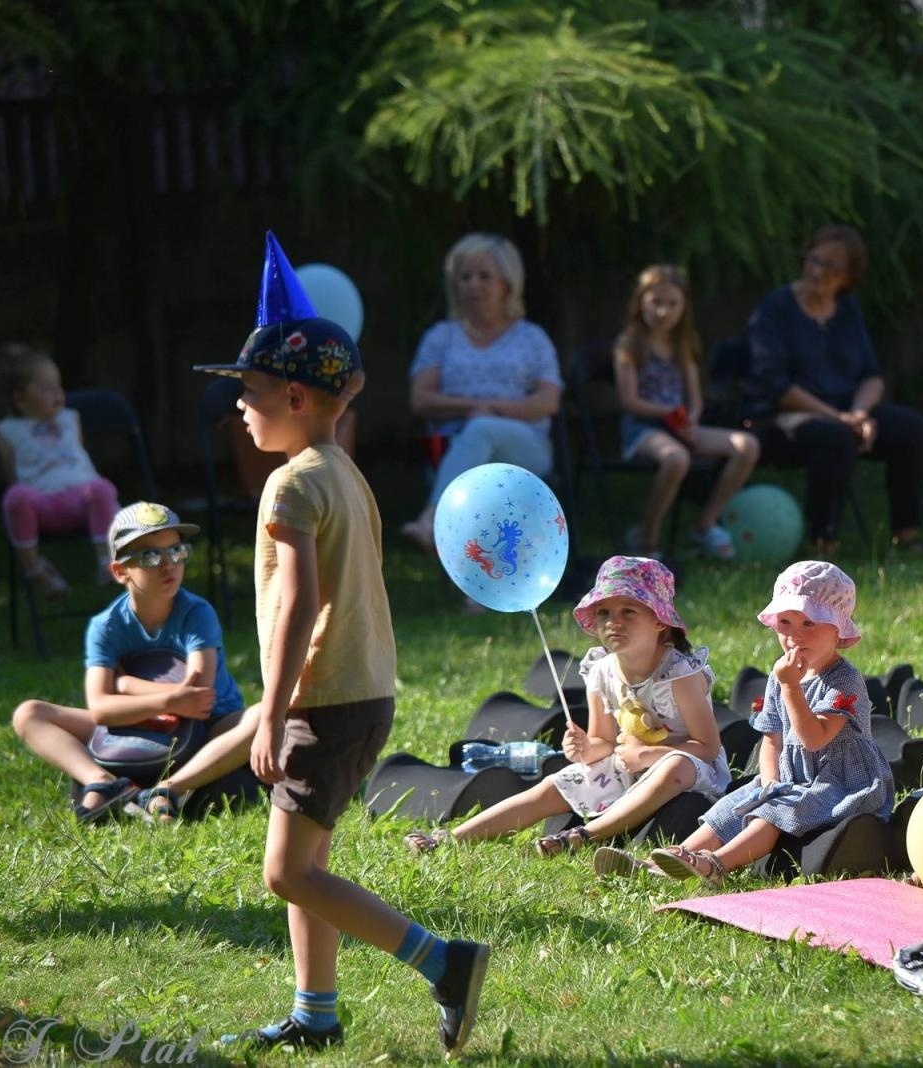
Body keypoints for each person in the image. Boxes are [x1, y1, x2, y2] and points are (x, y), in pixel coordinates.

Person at [195, 241, 488, 1053]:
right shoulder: (343, 471)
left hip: (324, 700)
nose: (240, 412)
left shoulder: (289, 485)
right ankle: (315, 1015)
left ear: (293, 394)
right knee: (310, 861)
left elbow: (299, 605)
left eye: (249, 395)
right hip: (367, 692)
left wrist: (271, 712)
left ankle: (443, 961)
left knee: (287, 871)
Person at [401, 555, 731, 856]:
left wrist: (648, 756)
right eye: (604, 613)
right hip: (629, 765)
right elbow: (602, 741)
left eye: (628, 611)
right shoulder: (601, 670)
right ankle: (451, 838)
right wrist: (585, 749)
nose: (613, 622)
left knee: (675, 767)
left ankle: (583, 836)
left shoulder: (679, 674)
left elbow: (706, 746)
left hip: (691, 771)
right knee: (556, 783)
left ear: (660, 621)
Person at [592, 560, 893, 884]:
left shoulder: (842, 681)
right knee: (731, 807)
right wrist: (768, 781)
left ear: (838, 630)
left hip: (839, 781)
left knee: (774, 811)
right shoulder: (782, 675)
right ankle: (662, 864)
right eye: (786, 623)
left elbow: (815, 739)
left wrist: (791, 686)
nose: (795, 636)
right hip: (791, 776)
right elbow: (772, 738)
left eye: (809, 623)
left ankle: (716, 865)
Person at [10, 502, 254, 824]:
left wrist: (125, 685)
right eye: (151, 556)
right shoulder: (106, 625)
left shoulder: (197, 613)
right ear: (119, 571)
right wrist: (166, 699)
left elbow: (198, 697)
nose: (169, 565)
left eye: (176, 551)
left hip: (205, 730)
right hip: (134, 729)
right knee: (29, 714)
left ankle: (168, 788)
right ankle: (106, 783)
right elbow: (100, 708)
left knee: (265, 716)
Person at [743, 225, 923, 555]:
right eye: (813, 260)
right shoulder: (775, 308)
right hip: (784, 419)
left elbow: (872, 375)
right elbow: (774, 384)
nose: (817, 271)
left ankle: (906, 535)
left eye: (830, 266)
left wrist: (859, 413)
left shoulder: (848, 311)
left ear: (848, 276)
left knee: (911, 429)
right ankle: (823, 541)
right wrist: (841, 419)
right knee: (834, 437)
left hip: (845, 412)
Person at [401, 232, 564, 558]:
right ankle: (477, 592)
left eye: (484, 276)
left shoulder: (532, 338)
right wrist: (475, 407)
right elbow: (421, 399)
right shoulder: (441, 337)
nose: (473, 285)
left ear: (507, 282)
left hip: (525, 445)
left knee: (482, 430)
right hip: (454, 445)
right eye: (465, 277)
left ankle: (432, 517)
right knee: (478, 467)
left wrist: (495, 412)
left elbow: (548, 401)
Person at [614, 265, 760, 560]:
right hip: (644, 429)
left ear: (684, 307)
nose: (663, 311)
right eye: (656, 302)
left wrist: (691, 419)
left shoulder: (683, 344)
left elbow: (694, 397)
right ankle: (647, 537)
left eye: (672, 304)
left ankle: (705, 523)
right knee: (676, 458)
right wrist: (669, 413)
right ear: (641, 301)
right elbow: (629, 400)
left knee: (747, 446)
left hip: (678, 424)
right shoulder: (629, 344)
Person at [0, 344, 121, 599]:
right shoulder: (7, 430)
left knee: (102, 489)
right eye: (46, 388)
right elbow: (13, 476)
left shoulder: (70, 419)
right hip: (43, 504)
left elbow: (79, 459)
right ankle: (37, 570)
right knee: (15, 497)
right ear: (20, 398)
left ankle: (106, 559)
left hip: (80, 500)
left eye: (59, 386)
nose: (57, 394)